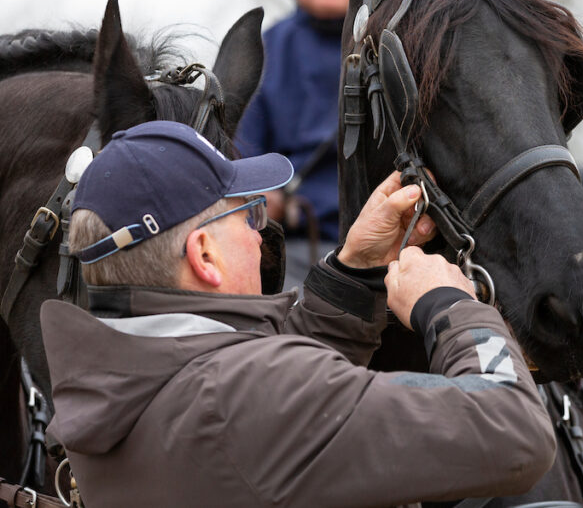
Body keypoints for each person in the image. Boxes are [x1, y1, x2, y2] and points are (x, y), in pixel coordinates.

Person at [40, 120, 556, 508]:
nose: (259, 232)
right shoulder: (246, 397)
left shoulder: (109, 385)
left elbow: (272, 416)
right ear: (204, 255)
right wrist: (450, 305)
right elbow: (512, 430)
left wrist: (354, 271)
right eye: (246, 214)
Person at [235, 0, 371, 290]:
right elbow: (236, 165)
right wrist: (262, 197)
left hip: (393, 252)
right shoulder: (260, 52)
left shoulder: (403, 50)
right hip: (290, 252)